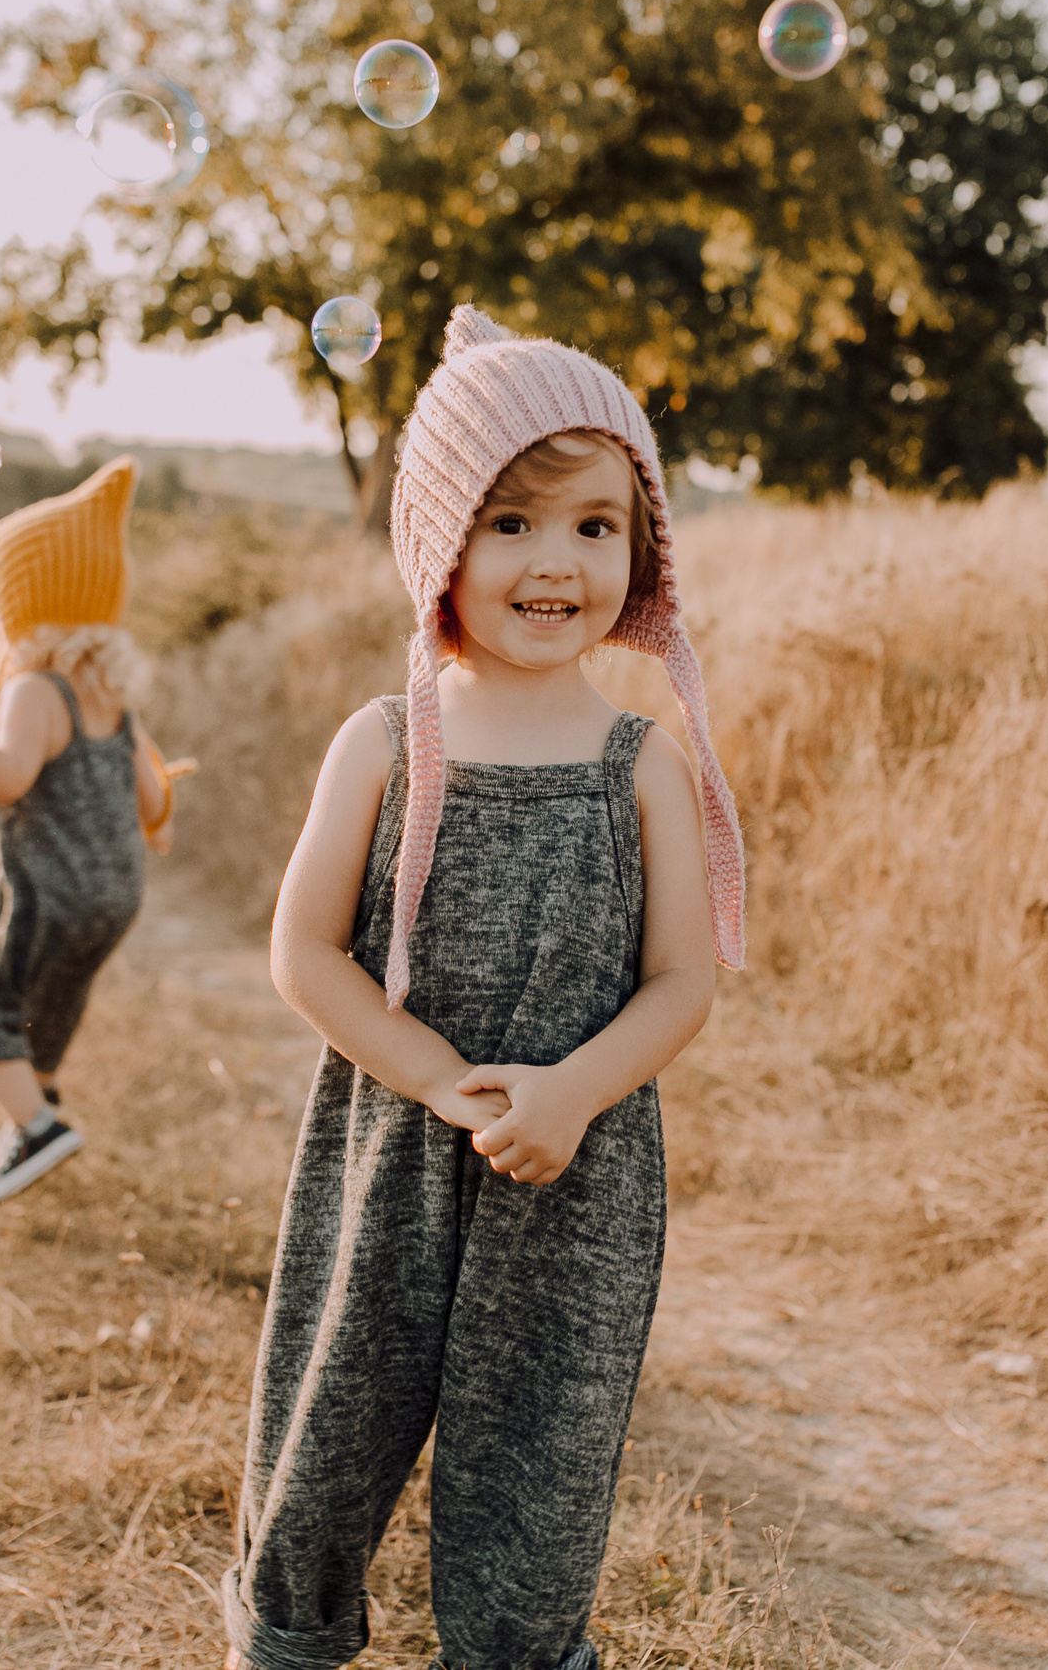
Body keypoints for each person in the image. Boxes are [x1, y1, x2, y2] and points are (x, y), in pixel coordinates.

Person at [226, 306, 747, 1670]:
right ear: (439, 540)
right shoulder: (387, 739)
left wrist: (573, 1091)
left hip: (575, 1168)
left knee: (539, 1470)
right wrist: (427, 1074)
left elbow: (684, 977)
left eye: (593, 523)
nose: (554, 560)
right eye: (509, 522)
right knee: (326, 1432)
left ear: (640, 551)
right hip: (391, 1143)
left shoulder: (642, 758)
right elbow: (305, 953)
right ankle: (285, 1637)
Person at [0, 456, 193, 1209]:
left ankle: (38, 1128)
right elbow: (150, 793)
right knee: (42, 1011)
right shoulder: (109, 693)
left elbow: (7, 777)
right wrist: (153, 826)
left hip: (53, 891)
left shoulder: (34, 690)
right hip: (115, 895)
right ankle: (24, 1137)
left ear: (28, 611)